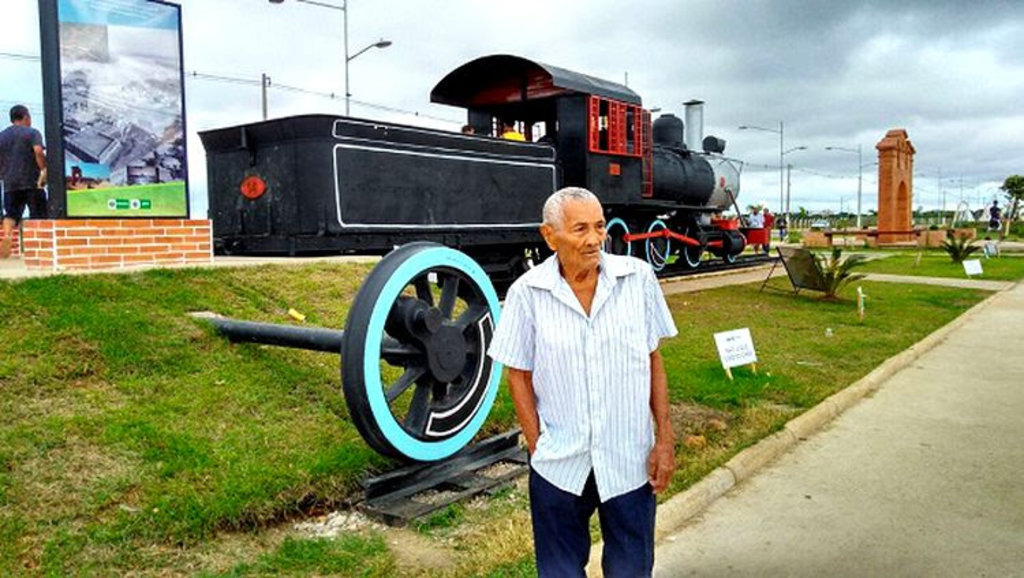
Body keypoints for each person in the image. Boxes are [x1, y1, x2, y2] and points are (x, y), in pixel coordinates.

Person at [488, 187, 678, 577]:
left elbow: (652, 359)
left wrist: (665, 439)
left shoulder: (637, 279)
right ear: (549, 235)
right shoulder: (527, 294)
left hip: (630, 462)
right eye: (579, 229)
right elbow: (518, 375)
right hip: (560, 466)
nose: (594, 240)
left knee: (631, 570)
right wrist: (538, 446)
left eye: (599, 226)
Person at [0, 105, 47, 258]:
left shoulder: (2, 136)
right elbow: (38, 151)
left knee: (11, 214)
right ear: (26, 117)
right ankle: (36, 247)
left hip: (10, 182)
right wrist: (43, 169)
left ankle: (7, 236)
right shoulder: (32, 133)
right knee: (37, 214)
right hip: (32, 181)